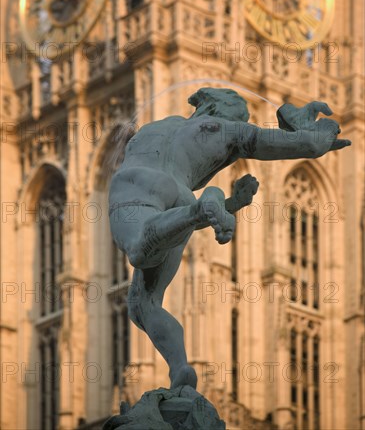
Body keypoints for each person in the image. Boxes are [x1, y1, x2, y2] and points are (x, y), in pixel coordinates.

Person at [109, 88, 351, 389]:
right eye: (241, 116)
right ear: (222, 110)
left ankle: (180, 373)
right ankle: (180, 369)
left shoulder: (154, 129)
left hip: (139, 184)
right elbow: (307, 144)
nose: (241, 121)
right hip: (181, 199)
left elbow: (164, 221)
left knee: (141, 263)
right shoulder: (225, 130)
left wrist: (216, 208)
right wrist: (322, 131)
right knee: (141, 299)